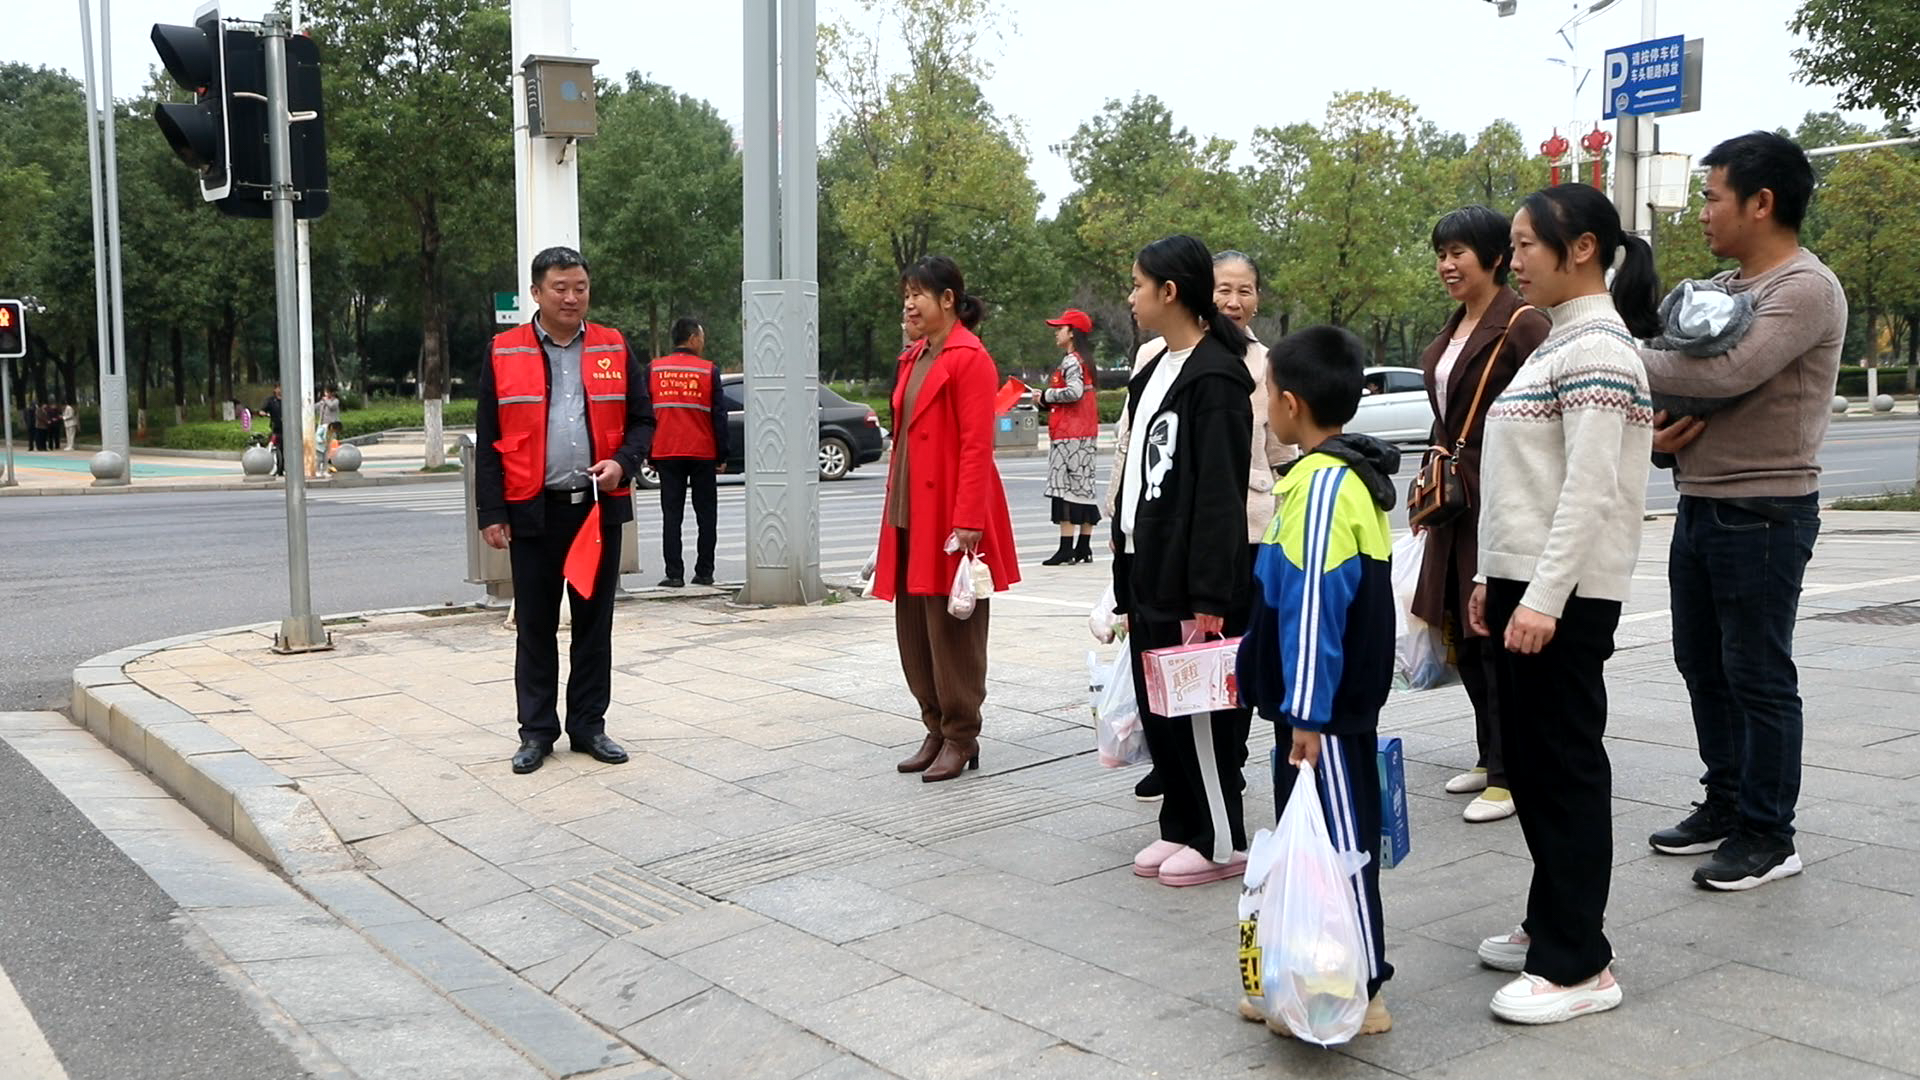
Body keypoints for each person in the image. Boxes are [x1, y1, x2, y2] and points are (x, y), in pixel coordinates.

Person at [1466, 183, 1658, 1025]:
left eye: (1523, 245)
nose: (1514, 261)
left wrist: (1542, 597)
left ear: (1580, 247)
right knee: (1538, 769)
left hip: (1566, 595)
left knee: (1565, 767)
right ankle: (1553, 924)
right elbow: (1521, 485)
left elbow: (1590, 493)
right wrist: (1488, 578)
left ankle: (1579, 964)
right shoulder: (1555, 344)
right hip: (1527, 584)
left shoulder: (1602, 353)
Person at [1638, 134, 1848, 892]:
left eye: (1712, 194)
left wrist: (1611, 352)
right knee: (1702, 665)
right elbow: (1685, 382)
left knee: (1757, 672)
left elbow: (1726, 371)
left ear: (1761, 203)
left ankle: (1769, 833)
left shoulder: (1804, 288)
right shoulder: (1725, 284)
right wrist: (1664, 441)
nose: (1703, 210)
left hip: (1766, 510)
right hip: (1702, 503)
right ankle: (1725, 803)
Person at [1236, 324, 1398, 1036]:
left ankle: (1363, 988)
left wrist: (1305, 713)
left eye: (1267, 392)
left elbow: (1312, 614)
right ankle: (1309, 975)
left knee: (1341, 847)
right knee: (1321, 843)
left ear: (1292, 404)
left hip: (1322, 715)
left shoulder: (1326, 489)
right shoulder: (1318, 479)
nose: (1265, 404)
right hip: (1314, 711)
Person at [1109, 249, 1289, 804]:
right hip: (1157, 545)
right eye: (1224, 289)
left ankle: (1214, 812)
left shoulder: (1236, 369)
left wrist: (1213, 582)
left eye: (1246, 290)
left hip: (1234, 541)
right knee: (1162, 685)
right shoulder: (1154, 359)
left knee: (1209, 686)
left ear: (1170, 290)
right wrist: (1122, 529)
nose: (1234, 301)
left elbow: (1257, 465)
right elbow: (1131, 449)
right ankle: (1185, 803)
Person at [476, 246, 655, 776]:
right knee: (534, 626)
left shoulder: (613, 346)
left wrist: (624, 463)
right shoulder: (503, 350)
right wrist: (492, 511)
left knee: (594, 623)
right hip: (532, 510)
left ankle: (588, 726)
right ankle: (536, 733)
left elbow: (644, 421)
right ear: (536, 293)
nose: (572, 297)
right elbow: (489, 437)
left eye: (580, 287)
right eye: (560, 288)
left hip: (596, 511)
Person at [1113, 235, 1254, 887]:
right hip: (1148, 567)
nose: (1132, 295)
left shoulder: (1216, 375)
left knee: (1202, 716)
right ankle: (1180, 825)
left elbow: (1219, 496)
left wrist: (1210, 594)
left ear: (1170, 292)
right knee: (1162, 710)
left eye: (1138, 284)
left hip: (1191, 579)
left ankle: (1220, 840)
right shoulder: (1154, 367)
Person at [1414, 207, 1551, 823]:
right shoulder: (1452, 330)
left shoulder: (1523, 325)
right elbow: (1446, 420)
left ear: (1494, 257)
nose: (1447, 264)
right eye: (1441, 253)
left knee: (1491, 632)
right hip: (1453, 499)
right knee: (1459, 635)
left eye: (1460, 252)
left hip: (1497, 496)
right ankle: (1486, 751)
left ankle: (1511, 771)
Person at [872, 255, 1022, 783]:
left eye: (919, 294)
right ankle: (934, 725)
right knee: (914, 628)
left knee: (953, 631)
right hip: (910, 513)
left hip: (954, 518)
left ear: (948, 301)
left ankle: (962, 735)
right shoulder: (914, 357)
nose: (909, 303)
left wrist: (968, 520)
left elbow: (976, 446)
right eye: (906, 294)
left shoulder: (969, 358)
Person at [648, 318, 729, 588]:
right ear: (693, 338)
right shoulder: (708, 371)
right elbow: (719, 416)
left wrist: (650, 453)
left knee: (671, 515)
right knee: (706, 514)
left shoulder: (655, 369)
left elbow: (645, 414)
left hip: (667, 451)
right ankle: (704, 571)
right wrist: (722, 454)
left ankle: (673, 573)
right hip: (702, 452)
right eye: (701, 337)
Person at [1039, 309, 1101, 566]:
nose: (1056, 333)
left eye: (1060, 328)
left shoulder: (1071, 361)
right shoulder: (1086, 361)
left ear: (1072, 333)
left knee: (1063, 490)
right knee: (1083, 489)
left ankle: (1066, 549)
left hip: (1068, 434)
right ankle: (1083, 546)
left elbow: (1073, 392)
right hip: (1085, 432)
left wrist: (1045, 396)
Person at [316, 387, 342, 475]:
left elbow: (331, 406)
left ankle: (327, 468)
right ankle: (318, 470)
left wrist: (325, 400)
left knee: (329, 449)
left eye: (327, 392)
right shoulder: (323, 402)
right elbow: (316, 407)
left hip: (331, 427)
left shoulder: (335, 401)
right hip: (322, 427)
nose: (325, 394)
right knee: (320, 450)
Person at [260, 384, 285, 476]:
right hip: (277, 427)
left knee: (286, 449)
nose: (280, 390)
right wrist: (263, 413)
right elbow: (263, 410)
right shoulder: (271, 400)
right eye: (278, 388)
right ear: (275, 389)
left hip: (288, 428)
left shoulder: (288, 399)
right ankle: (279, 469)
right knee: (278, 447)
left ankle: (284, 468)